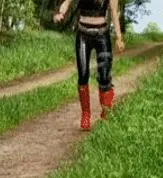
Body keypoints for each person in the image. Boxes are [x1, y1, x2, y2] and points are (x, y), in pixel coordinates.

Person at [54, 0, 126, 131]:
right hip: (83, 35)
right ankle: (86, 114)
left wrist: (119, 38)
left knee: (104, 76)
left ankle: (106, 112)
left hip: (102, 35)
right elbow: (66, 2)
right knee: (83, 75)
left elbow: (114, 13)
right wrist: (61, 12)